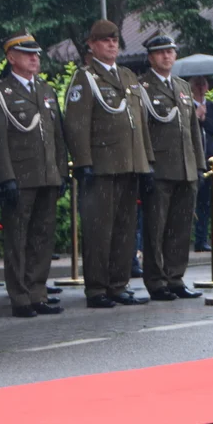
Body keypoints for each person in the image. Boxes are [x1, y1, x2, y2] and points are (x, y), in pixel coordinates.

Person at [63, 20, 155, 308]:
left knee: (124, 229)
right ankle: (97, 289)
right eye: (105, 41)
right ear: (91, 45)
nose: (112, 45)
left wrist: (147, 160)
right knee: (99, 229)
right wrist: (83, 162)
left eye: (114, 40)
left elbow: (140, 122)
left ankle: (118, 284)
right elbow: (76, 123)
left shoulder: (127, 76)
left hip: (129, 162)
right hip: (101, 164)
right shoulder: (85, 77)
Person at [0, 31, 67, 318]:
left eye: (36, 54)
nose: (35, 58)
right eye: (27, 54)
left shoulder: (46, 91)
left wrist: (61, 170)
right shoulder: (0, 91)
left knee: (42, 237)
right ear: (11, 58)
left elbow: (57, 135)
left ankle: (37, 292)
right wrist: (5, 177)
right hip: (20, 177)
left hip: (47, 175)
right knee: (17, 239)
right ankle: (20, 297)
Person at [138, 35, 205, 301]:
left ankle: (175, 277)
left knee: (180, 227)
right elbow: (141, 131)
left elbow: (192, 130)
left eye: (170, 52)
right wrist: (146, 165)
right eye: (160, 52)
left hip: (185, 166)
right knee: (156, 228)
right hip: (160, 168)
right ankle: (156, 281)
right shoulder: (142, 87)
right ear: (151, 57)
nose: (167, 56)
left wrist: (198, 165)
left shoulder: (182, 87)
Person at [189, 76, 213, 252]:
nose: (201, 87)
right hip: (193, 159)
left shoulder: (212, 107)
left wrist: (204, 120)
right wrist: (195, 117)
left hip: (210, 159)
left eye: (203, 84)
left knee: (205, 203)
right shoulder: (186, 105)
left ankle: (202, 239)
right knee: (189, 201)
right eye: (197, 84)